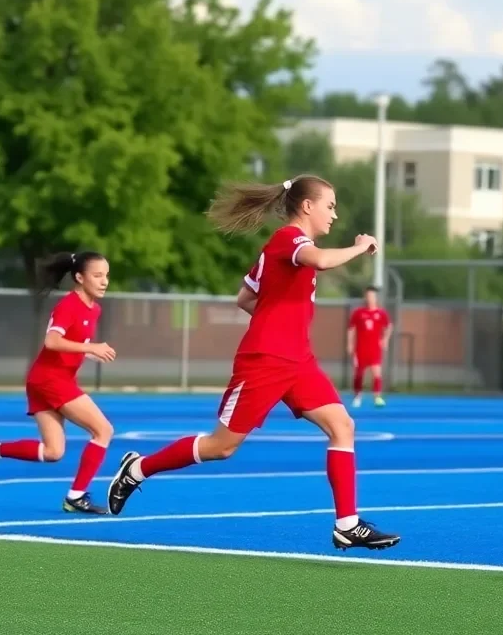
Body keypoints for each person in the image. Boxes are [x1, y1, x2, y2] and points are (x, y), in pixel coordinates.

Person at [107, 175, 400, 552]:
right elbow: (323, 261)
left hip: (298, 361)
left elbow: (246, 298)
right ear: (307, 206)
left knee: (343, 426)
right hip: (265, 361)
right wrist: (360, 247)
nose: (335, 214)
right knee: (221, 447)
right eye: (330, 205)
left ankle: (347, 524)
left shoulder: (288, 247)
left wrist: (277, 314)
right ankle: (137, 469)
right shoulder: (289, 240)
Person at [0, 251, 117, 514]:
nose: (104, 281)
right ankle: (76, 496)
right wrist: (93, 347)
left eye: (106, 275)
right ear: (80, 277)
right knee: (103, 431)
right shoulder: (68, 305)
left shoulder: (94, 309)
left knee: (53, 452)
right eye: (97, 275)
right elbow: (52, 341)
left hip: (45, 380)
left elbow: (74, 343)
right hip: (51, 380)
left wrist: (87, 351)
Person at [347, 286, 392, 408]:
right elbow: (351, 330)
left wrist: (385, 340)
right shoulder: (358, 313)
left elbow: (389, 326)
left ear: (376, 297)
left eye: (372, 296)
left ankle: (377, 397)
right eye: (368, 296)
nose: (370, 298)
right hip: (361, 348)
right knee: (359, 373)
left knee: (376, 372)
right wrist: (350, 345)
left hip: (374, 348)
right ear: (365, 297)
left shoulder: (381, 313)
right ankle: (357, 397)